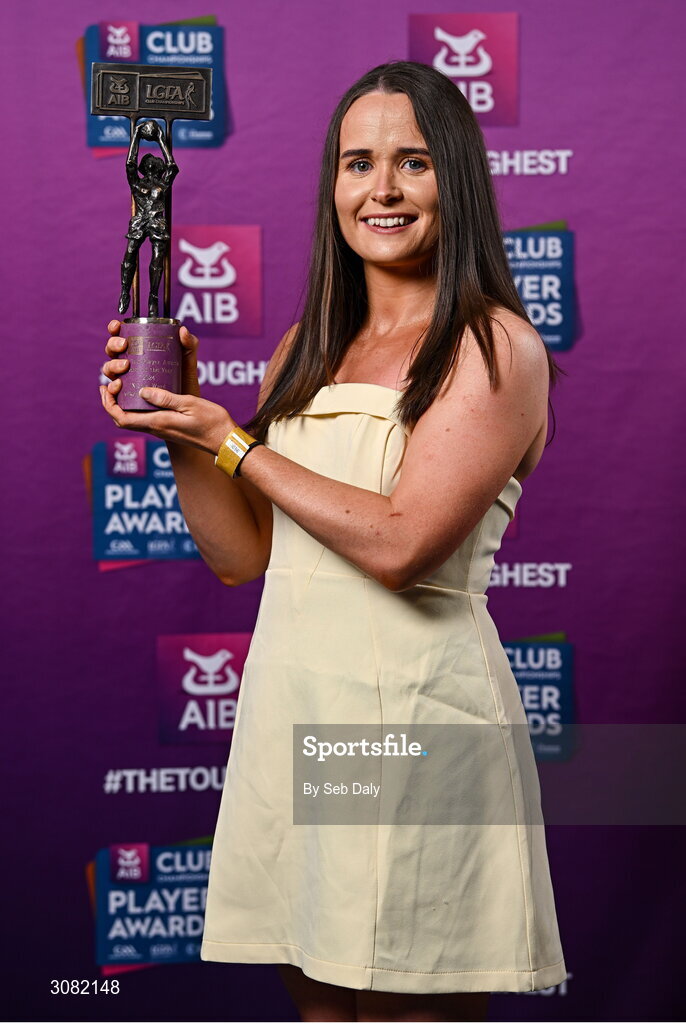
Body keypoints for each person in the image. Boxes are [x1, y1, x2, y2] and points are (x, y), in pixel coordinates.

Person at [100, 61, 567, 1024]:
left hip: (424, 723)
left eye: (414, 163)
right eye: (359, 163)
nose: (382, 190)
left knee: (406, 1007)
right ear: (334, 185)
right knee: (323, 1002)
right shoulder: (305, 348)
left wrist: (232, 439)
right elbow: (243, 555)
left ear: (459, 183)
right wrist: (186, 432)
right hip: (306, 712)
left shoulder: (493, 346)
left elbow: (402, 544)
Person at [118, 119, 179, 318]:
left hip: (157, 222)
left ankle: (153, 297)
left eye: (155, 162)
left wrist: (161, 139)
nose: (152, 162)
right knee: (130, 253)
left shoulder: (163, 184)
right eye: (149, 162)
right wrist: (136, 134)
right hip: (140, 220)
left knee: (157, 260)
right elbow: (129, 163)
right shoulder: (136, 182)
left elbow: (172, 166)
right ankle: (125, 292)